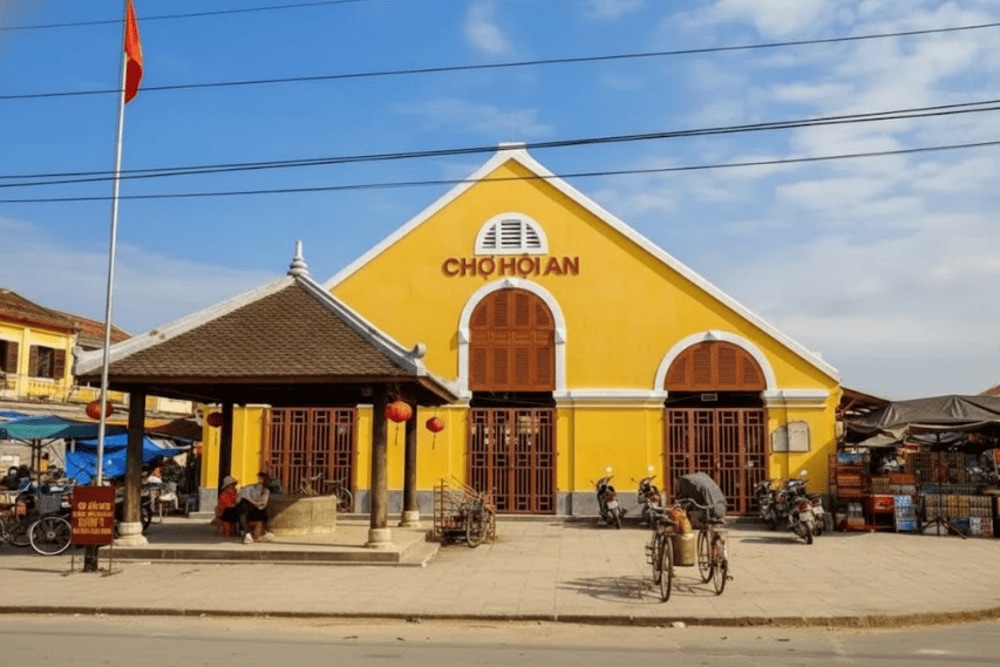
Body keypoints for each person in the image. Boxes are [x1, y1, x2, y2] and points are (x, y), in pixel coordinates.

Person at [234, 472, 274, 544]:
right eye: (260, 479)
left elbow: (262, 505)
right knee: (243, 505)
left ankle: (258, 533)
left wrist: (254, 503)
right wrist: (254, 502)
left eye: (262, 479)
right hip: (245, 509)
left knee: (265, 512)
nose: (260, 481)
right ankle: (246, 533)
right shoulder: (249, 488)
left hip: (258, 510)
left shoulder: (266, 491)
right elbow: (240, 499)